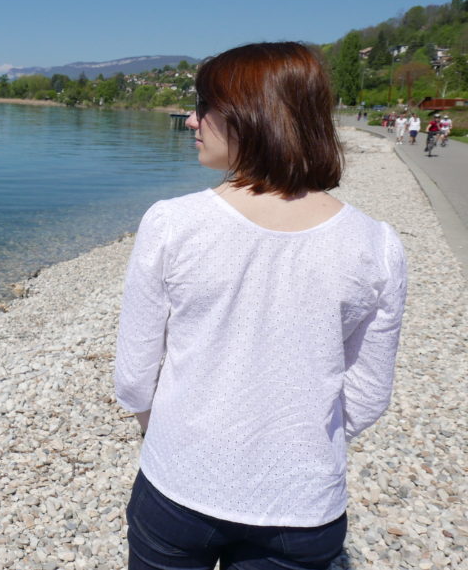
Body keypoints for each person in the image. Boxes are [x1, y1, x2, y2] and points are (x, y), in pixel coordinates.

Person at [115, 42, 407, 570]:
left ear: (252, 117)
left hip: (178, 486)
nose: (190, 122)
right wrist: (293, 440)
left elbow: (135, 377)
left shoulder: (172, 224)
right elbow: (367, 396)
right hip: (303, 502)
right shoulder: (377, 244)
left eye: (203, 107)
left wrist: (174, 433)